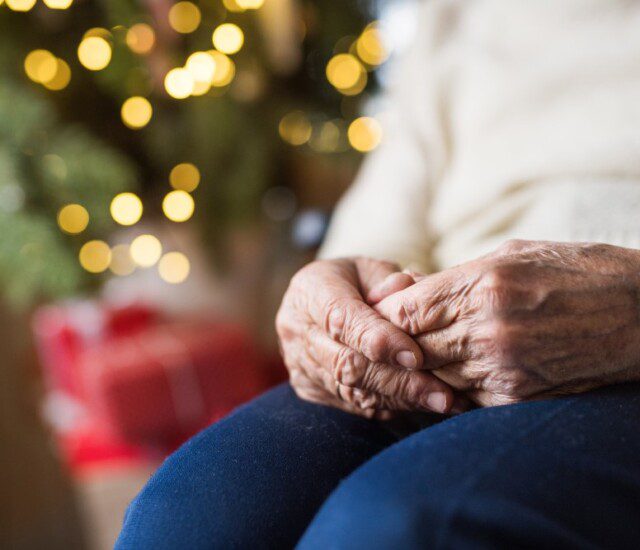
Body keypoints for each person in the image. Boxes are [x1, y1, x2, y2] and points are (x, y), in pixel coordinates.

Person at [116, 0, 640, 547]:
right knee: (187, 516)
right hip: (437, 338)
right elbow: (384, 212)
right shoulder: (458, 13)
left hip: (624, 358)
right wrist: (338, 294)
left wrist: (631, 308)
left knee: (397, 528)